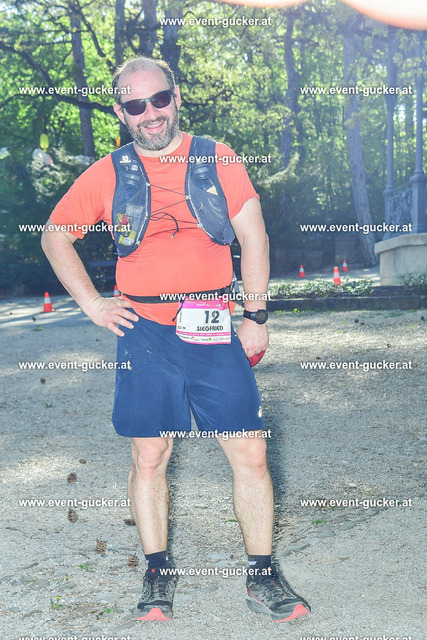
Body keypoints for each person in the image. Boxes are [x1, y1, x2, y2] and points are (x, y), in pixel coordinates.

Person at [41, 56, 311, 623]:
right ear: (122, 113)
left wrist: (256, 315)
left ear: (176, 97)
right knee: (149, 454)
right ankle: (157, 571)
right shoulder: (109, 172)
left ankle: (262, 575)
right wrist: (93, 304)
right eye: (136, 105)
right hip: (143, 332)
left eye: (159, 99)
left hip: (211, 322)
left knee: (250, 451)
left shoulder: (217, 157)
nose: (151, 113)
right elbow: (55, 236)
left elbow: (254, 236)